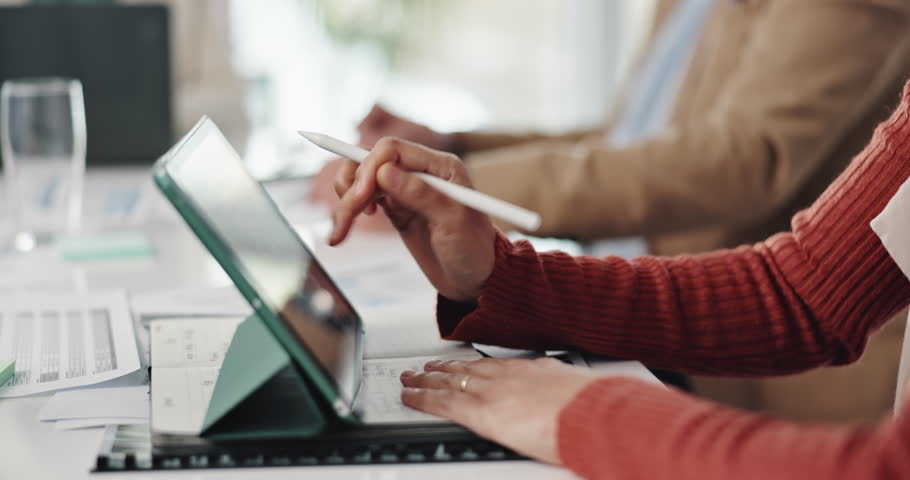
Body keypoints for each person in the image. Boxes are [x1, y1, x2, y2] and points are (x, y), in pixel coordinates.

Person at [315, 0, 910, 422]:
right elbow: (634, 135)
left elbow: (740, 160)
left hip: (753, 378)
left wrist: (458, 192)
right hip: (652, 314)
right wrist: (458, 152)